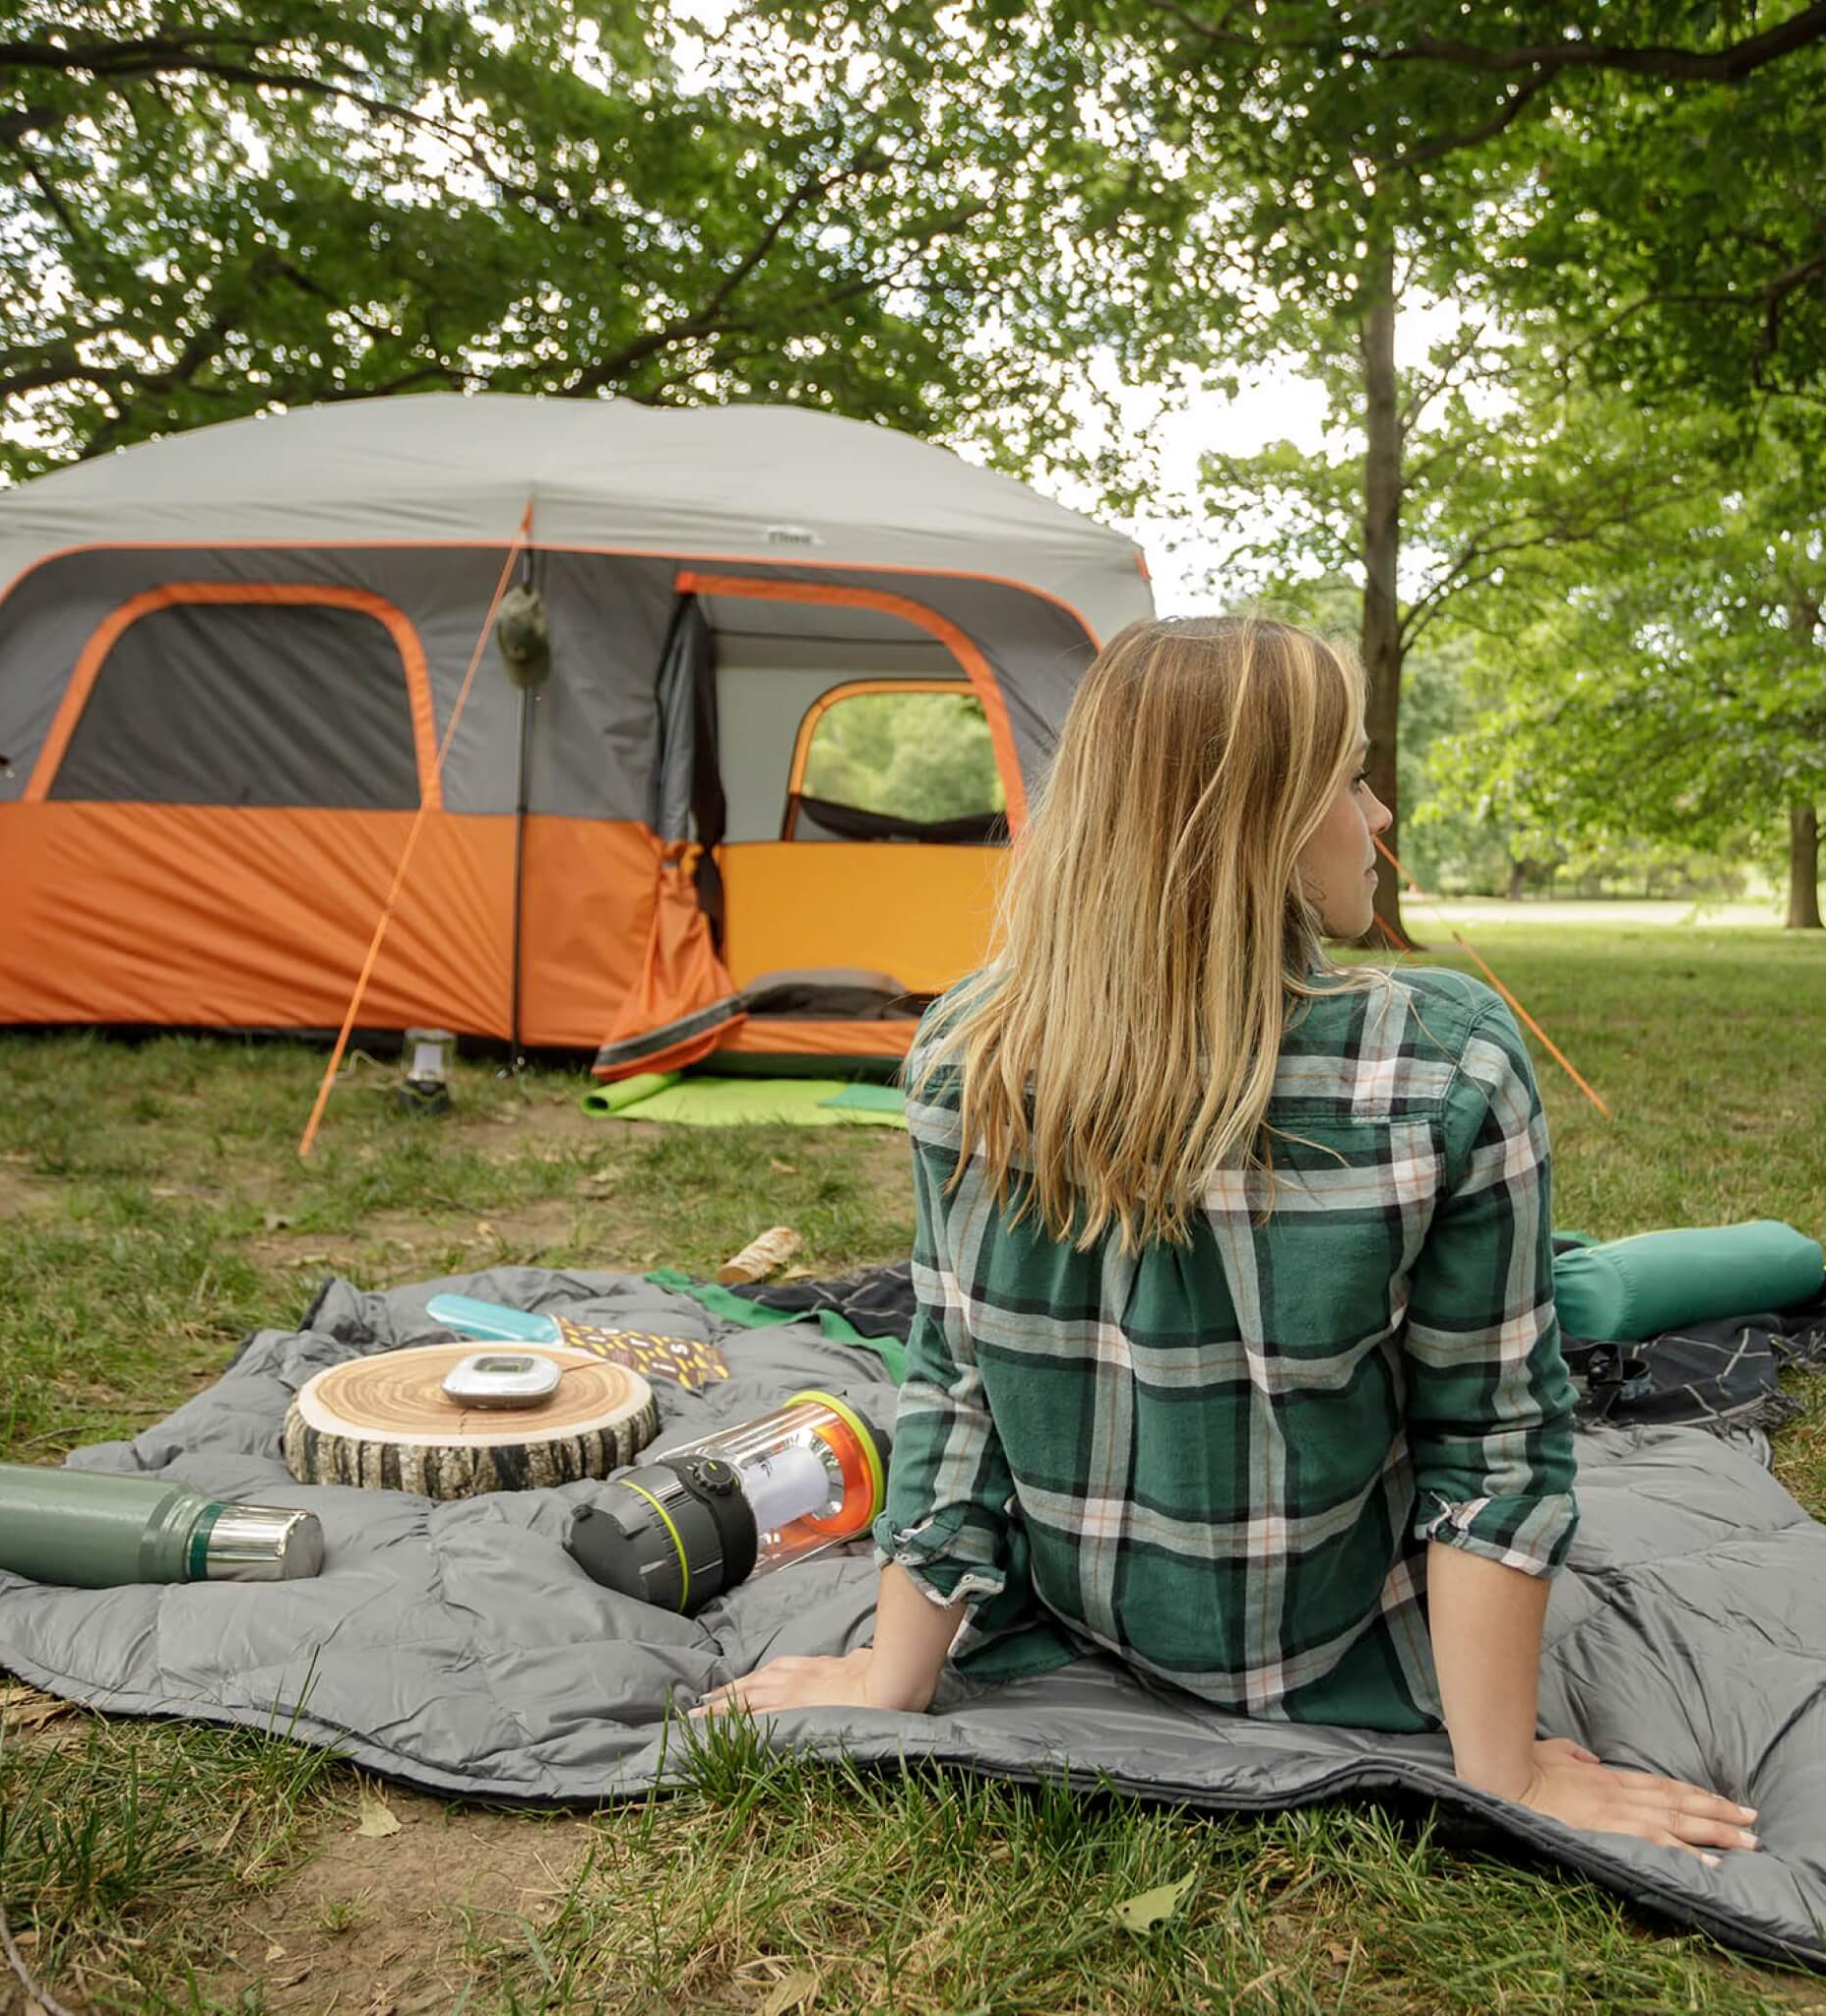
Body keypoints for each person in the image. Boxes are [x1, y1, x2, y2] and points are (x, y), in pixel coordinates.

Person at [699, 614, 1757, 1865]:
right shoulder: (1444, 1059)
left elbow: (953, 1384)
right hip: (1353, 1655)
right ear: (1252, 825)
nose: (1377, 820)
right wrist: (1504, 1766)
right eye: (1351, 779)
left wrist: (888, 1676)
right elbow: (1493, 1440)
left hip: (1075, 1622)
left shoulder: (966, 1051)